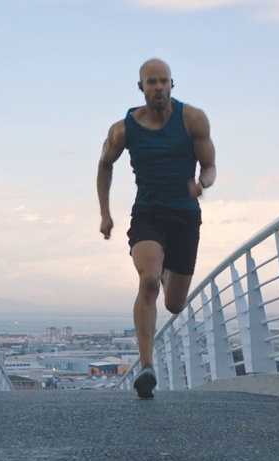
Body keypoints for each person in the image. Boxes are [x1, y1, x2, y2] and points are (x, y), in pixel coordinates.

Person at [97, 58, 217, 399]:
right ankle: (146, 366)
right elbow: (104, 165)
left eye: (164, 81)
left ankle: (166, 269)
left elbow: (209, 165)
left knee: (175, 304)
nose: (159, 87)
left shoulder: (192, 119)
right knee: (148, 280)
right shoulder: (124, 129)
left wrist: (201, 183)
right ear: (141, 88)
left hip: (185, 217)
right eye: (152, 82)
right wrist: (105, 213)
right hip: (148, 213)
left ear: (172, 85)